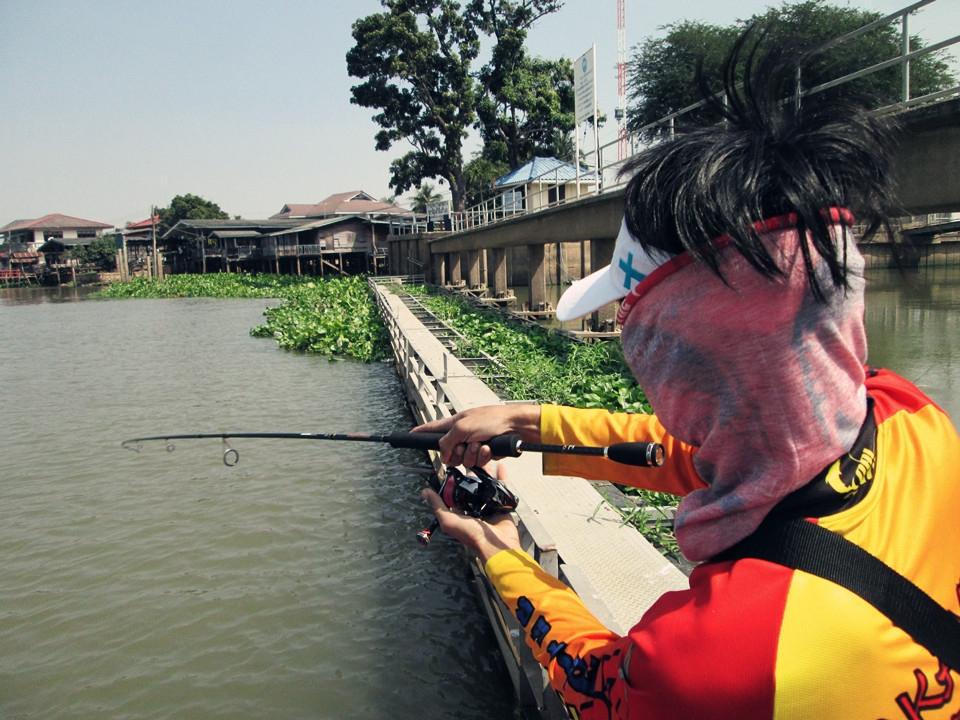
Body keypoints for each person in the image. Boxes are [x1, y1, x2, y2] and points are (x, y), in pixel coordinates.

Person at [416, 30, 960, 719]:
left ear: (674, 366)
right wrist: (526, 422)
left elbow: (597, 679)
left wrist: (496, 550)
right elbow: (727, 450)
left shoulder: (717, 660)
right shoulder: (911, 418)